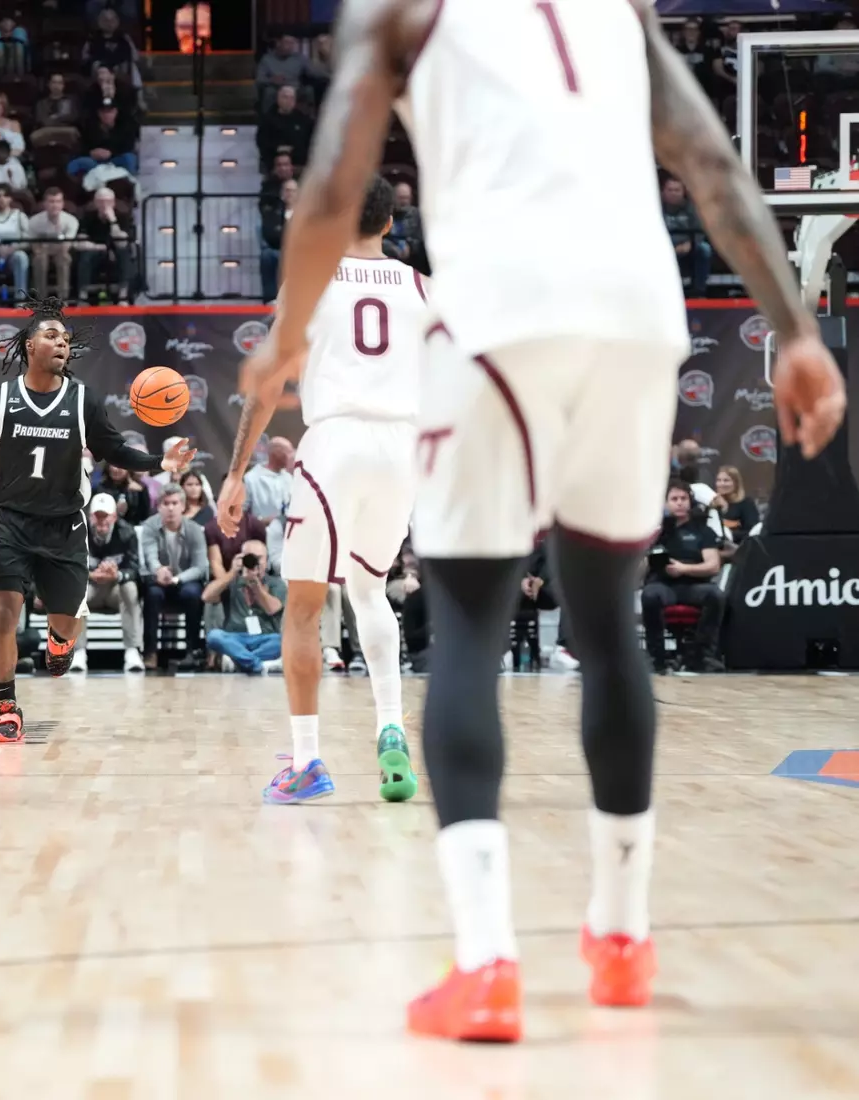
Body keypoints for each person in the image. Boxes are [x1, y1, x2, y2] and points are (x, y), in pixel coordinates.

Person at [249, 0, 845, 1041]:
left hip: (497, 312)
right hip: (635, 311)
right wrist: (795, 328)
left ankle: (485, 961)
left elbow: (335, 184)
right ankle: (621, 935)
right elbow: (711, 162)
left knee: (472, 620)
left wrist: (289, 334)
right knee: (608, 623)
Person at [217, 177, 425, 805]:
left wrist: (234, 473)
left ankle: (308, 762)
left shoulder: (311, 287)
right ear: (390, 224)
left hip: (337, 442)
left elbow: (268, 385)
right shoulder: (424, 289)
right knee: (369, 588)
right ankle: (390, 725)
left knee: (304, 604)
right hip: (402, 448)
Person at [0, 296, 195, 742]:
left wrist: (161, 463)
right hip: (12, 523)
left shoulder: (83, 401)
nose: (62, 344)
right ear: (28, 346)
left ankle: (60, 643)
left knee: (65, 621)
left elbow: (117, 451)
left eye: (67, 339)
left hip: (66, 527)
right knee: (4, 616)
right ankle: (6, 708)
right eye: (52, 335)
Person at [642, 481, 724, 673]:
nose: (679, 503)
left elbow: (713, 565)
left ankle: (702, 656)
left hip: (693, 585)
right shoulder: (656, 531)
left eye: (683, 499)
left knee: (716, 596)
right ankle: (657, 658)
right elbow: (639, 571)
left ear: (690, 502)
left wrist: (683, 569)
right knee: (650, 595)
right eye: (674, 499)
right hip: (662, 584)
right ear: (665, 503)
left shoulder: (703, 530)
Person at [73, 493, 143, 673]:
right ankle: (79, 652)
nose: (102, 521)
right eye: (98, 516)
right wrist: (90, 574)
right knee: (74, 592)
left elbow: (135, 570)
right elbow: (68, 567)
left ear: (114, 516)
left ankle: (132, 650)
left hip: (115, 589)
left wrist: (117, 575)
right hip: (91, 588)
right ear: (90, 517)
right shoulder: (78, 532)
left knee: (130, 587)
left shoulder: (127, 532)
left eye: (106, 516)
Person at [202, 539, 287, 674]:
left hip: (265, 638)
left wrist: (256, 585)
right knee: (214, 636)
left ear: (266, 561)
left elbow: (272, 609)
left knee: (284, 640)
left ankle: (238, 660)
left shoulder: (275, 583)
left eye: (259, 558)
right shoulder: (232, 581)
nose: (254, 563)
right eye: (249, 557)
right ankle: (258, 664)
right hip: (235, 638)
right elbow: (206, 596)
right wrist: (231, 572)